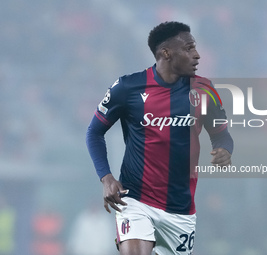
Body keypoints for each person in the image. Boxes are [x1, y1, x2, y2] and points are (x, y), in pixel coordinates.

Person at [86, 21, 233, 255]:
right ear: (166, 53)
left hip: (180, 208)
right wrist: (106, 178)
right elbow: (94, 132)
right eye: (188, 48)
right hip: (134, 199)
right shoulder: (127, 87)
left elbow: (222, 135)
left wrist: (224, 150)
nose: (196, 55)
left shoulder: (205, 90)